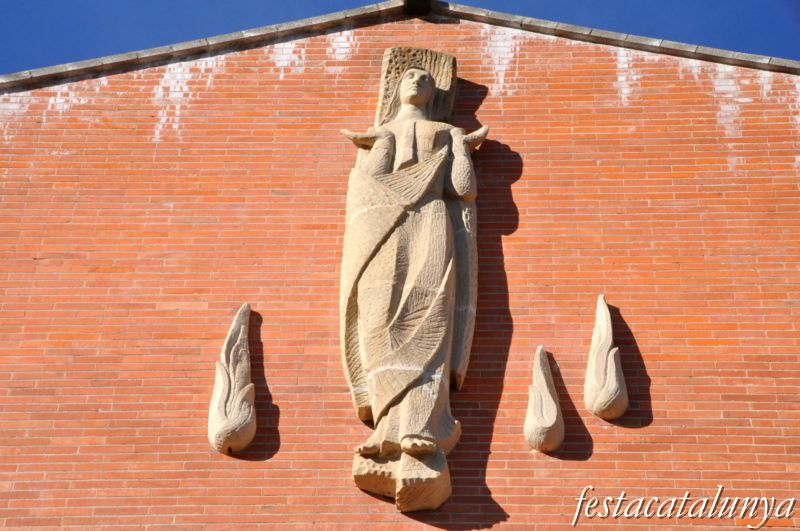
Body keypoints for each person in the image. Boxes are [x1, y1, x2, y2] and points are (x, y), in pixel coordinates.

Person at [339, 63, 487, 462]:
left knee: (430, 315)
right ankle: (387, 426)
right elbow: (368, 188)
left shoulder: (445, 132)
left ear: (434, 93)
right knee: (379, 318)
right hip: (386, 229)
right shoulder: (384, 133)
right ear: (395, 87)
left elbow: (463, 191)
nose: (417, 80)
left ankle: (422, 424)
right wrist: (382, 145)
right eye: (408, 76)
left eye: (425, 77)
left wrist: (458, 146)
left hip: (431, 223)